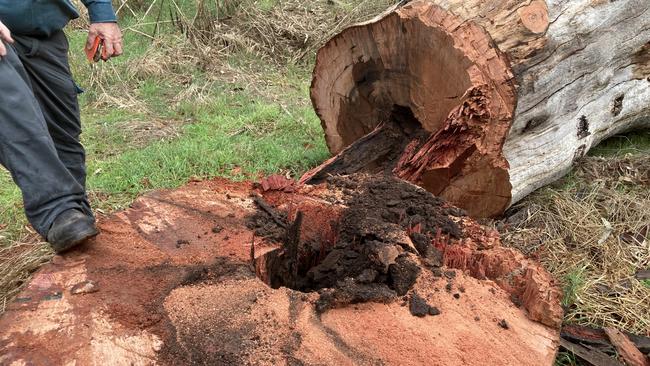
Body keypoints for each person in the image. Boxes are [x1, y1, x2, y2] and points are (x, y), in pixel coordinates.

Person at [0, 1, 123, 253]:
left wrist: (102, 13)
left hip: (44, 34)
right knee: (20, 121)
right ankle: (57, 208)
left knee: (64, 135)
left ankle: (76, 224)